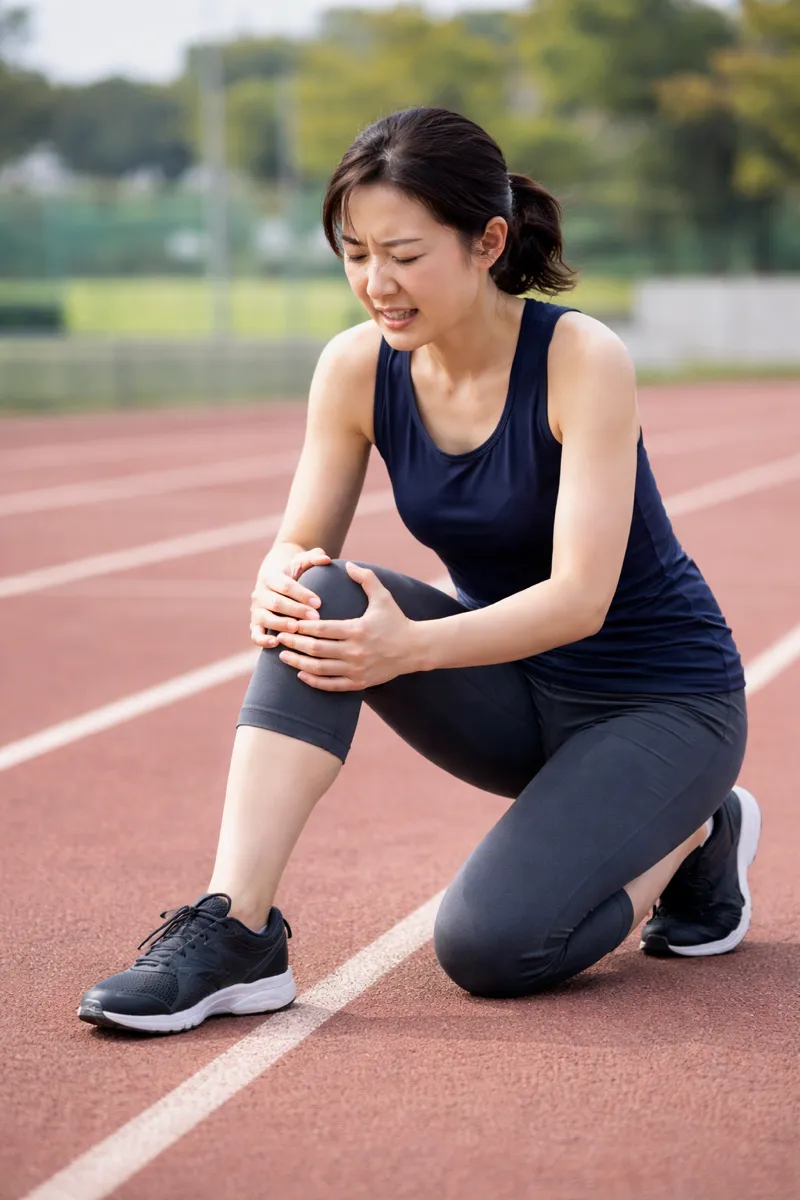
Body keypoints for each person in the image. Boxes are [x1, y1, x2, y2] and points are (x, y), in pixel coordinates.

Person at [79, 108, 760, 1035]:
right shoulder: (356, 367)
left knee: (491, 949)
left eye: (402, 254)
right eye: (354, 252)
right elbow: (299, 541)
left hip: (659, 701)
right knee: (321, 596)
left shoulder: (580, 359)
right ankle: (235, 926)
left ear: (488, 242)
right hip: (510, 690)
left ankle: (697, 833)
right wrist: (275, 579)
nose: (375, 284)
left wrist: (409, 648)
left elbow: (579, 599)